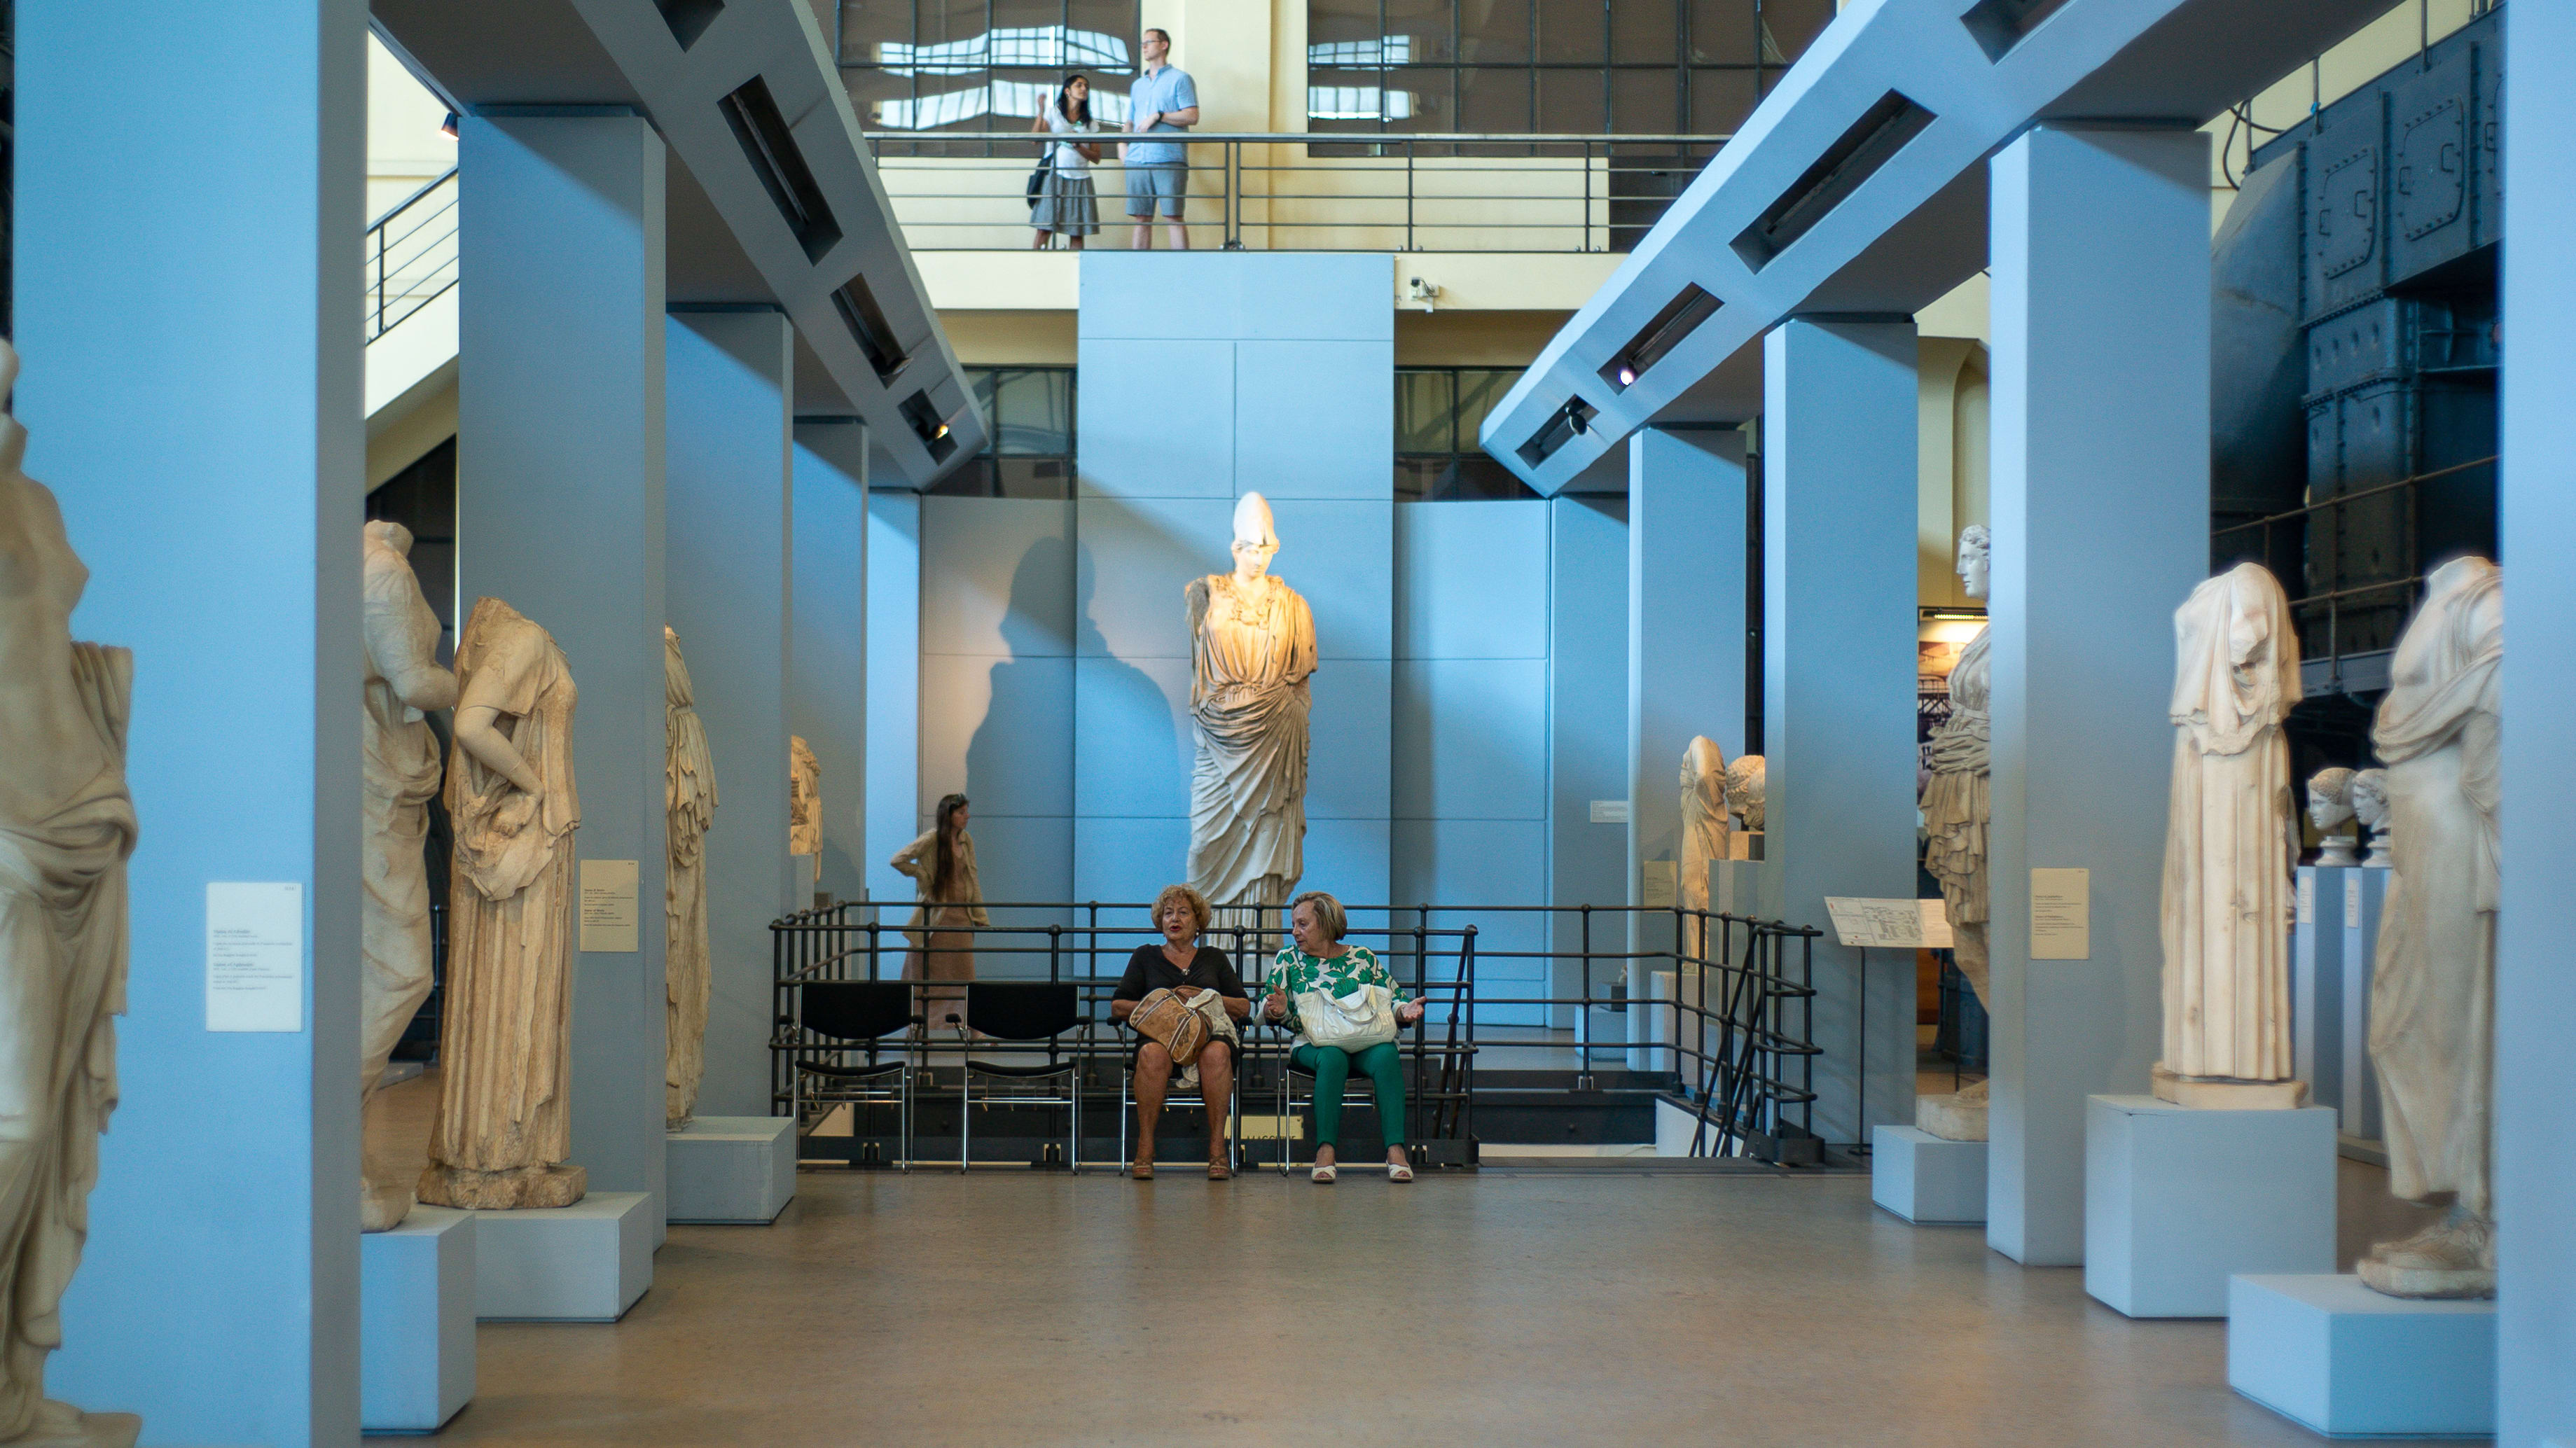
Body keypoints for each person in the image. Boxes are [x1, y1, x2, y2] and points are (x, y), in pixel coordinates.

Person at [1262, 891, 1425, 1183]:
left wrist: (1405, 1011)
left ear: (1325, 924)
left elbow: (1395, 1000)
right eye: (1294, 924)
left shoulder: (1362, 958)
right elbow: (1265, 1008)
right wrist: (1278, 1010)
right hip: (1312, 1044)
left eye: (1302, 924)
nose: (1294, 932)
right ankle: (1325, 1151)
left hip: (1364, 1041)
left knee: (1387, 1053)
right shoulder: (1288, 959)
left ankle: (1396, 1151)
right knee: (1333, 1057)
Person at [1110, 884, 1249, 1180]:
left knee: (1218, 1052)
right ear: (1160, 922)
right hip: (1160, 1036)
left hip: (1209, 1036)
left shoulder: (1213, 957)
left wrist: (1205, 996)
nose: (1175, 918)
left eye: (1183, 913)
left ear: (1198, 922)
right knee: (1150, 1054)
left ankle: (1217, 1150)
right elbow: (1118, 1006)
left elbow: (1242, 1006)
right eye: (1168, 913)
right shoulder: (1145, 956)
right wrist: (1162, 1005)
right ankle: (1145, 1147)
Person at [890, 793, 987, 1034]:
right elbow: (898, 860)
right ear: (949, 815)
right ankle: (919, 1027)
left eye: (966, 811)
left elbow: (972, 878)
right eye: (961, 812)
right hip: (936, 919)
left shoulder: (966, 840)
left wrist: (979, 915)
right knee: (928, 979)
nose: (967, 816)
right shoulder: (932, 839)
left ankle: (971, 1028)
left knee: (965, 976)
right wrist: (923, 876)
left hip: (961, 919)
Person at [1121, 27, 1197, 250]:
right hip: (1137, 159)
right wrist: (1122, 147)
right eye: (1142, 42)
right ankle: (1139, 269)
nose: (1143, 46)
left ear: (1163, 45)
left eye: (1149, 42)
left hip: (1168, 157)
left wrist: (1160, 115)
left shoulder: (1180, 79)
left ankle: (1182, 270)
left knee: (1173, 216)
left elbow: (1192, 116)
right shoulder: (1138, 85)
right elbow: (1129, 121)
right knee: (1141, 218)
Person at [1028, 74, 1102, 250]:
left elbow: (1096, 157)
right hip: (1056, 175)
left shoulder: (1090, 123)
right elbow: (1035, 139)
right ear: (1068, 91)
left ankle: (1074, 267)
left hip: (1081, 177)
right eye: (1079, 85)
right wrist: (1040, 110)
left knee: (1077, 231)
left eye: (1086, 86)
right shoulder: (1054, 113)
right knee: (1044, 227)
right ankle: (1036, 263)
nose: (1084, 89)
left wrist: (1078, 146)